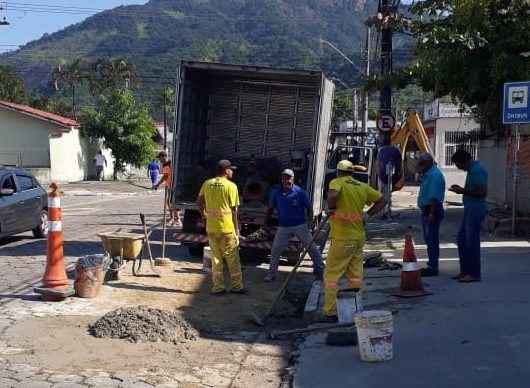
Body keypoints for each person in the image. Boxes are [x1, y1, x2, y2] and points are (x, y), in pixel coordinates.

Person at [323, 160, 386, 321]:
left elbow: (333, 195)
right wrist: (367, 215)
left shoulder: (337, 182)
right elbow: (382, 200)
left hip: (342, 238)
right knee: (355, 275)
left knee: (332, 275)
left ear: (338, 172)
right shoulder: (361, 186)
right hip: (358, 237)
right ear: (352, 173)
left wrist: (331, 207)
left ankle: (330, 311)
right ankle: (355, 308)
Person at [265, 169, 324, 282]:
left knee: (312, 248)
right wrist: (266, 222)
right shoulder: (276, 192)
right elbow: (271, 208)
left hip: (300, 226)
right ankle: (271, 274)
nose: (286, 180)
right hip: (283, 227)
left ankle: (320, 270)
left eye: (288, 178)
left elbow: (309, 208)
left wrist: (310, 222)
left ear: (293, 179)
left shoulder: (300, 192)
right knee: (275, 250)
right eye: (284, 178)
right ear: (281, 179)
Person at [197, 159, 245, 294]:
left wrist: (204, 215)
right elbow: (234, 210)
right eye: (231, 169)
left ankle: (218, 287)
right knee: (232, 259)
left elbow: (199, 202)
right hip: (227, 229)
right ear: (226, 170)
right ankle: (237, 286)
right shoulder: (231, 186)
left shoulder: (207, 183)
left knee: (216, 259)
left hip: (211, 228)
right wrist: (236, 229)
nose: (232, 172)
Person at [449, 150, 488, 283]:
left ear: (464, 161)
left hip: (476, 208)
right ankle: (465, 271)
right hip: (470, 208)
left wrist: (462, 190)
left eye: (458, 164)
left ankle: (474, 274)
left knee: (471, 242)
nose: (458, 167)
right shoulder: (472, 170)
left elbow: (482, 192)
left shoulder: (477, 170)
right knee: (462, 240)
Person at [417, 153, 446, 277]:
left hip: (431, 209)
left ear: (428, 163)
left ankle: (433, 267)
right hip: (427, 209)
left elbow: (434, 197)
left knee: (432, 239)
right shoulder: (428, 174)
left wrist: (431, 213)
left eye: (421, 164)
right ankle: (432, 264)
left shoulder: (434, 175)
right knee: (429, 239)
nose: (419, 167)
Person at [154, 151, 181, 227]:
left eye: (160, 158)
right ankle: (173, 218)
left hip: (172, 185)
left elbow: (165, 176)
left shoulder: (167, 164)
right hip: (170, 184)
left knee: (171, 202)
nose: (160, 160)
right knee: (169, 202)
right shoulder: (169, 163)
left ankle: (177, 219)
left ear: (164, 156)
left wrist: (157, 184)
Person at [376, 135, 402, 216]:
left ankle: (383, 211)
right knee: (388, 194)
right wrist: (398, 176)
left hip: (382, 175)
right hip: (393, 176)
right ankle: (387, 210)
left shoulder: (380, 150)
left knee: (382, 194)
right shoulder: (395, 150)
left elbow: (378, 163)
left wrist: (378, 174)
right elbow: (399, 163)